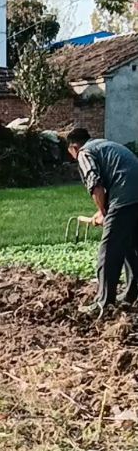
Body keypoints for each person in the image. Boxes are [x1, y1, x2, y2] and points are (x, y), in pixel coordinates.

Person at [66, 127, 138, 315]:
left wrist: (103, 212)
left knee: (109, 250)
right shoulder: (105, 145)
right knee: (130, 244)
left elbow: (95, 184)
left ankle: (103, 303)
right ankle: (132, 292)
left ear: (73, 148)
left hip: (125, 197)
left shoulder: (84, 153)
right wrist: (104, 210)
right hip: (132, 195)